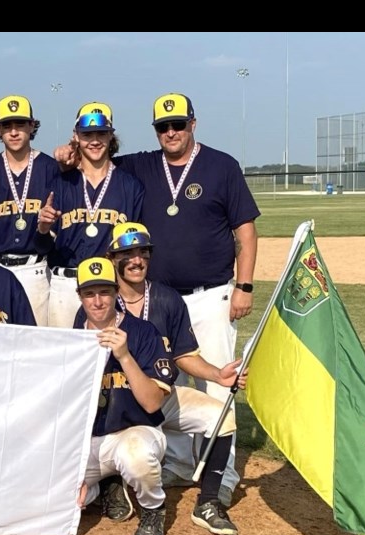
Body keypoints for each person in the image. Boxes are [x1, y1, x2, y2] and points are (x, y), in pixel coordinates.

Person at [55, 93, 257, 506]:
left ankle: (223, 476)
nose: (171, 132)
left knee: (217, 383)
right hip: (159, 299)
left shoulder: (221, 166)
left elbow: (246, 230)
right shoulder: (141, 165)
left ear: (193, 125)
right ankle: (178, 465)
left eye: (178, 125)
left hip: (212, 293)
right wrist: (66, 153)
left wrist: (245, 285)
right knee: (169, 383)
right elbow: (97, 161)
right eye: (163, 127)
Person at [80, 222, 242, 535]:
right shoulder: (98, 304)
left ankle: (209, 501)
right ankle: (114, 483)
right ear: (113, 259)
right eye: (127, 254)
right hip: (117, 404)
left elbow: (183, 354)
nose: (136, 260)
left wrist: (216, 374)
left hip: (161, 397)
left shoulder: (167, 299)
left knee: (222, 418)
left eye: (143, 252)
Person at [72, 257, 177, 535]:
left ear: (117, 292)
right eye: (89, 293)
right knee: (59, 497)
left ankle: (153, 508)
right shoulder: (72, 337)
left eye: (104, 292)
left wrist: (125, 356)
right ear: (79, 296)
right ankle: (98, 488)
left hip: (136, 431)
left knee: (136, 457)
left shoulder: (143, 332)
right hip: (90, 443)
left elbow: (153, 403)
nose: (97, 301)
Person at [39, 102, 142, 329]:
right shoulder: (61, 183)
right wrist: (43, 228)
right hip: (66, 283)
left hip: (108, 284)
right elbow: (44, 244)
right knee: (63, 357)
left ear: (111, 136)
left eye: (101, 133)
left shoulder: (130, 185)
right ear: (76, 136)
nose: (94, 140)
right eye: (87, 134)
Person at [0, 95, 60, 326]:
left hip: (35, 269)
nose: (13, 132)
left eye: (20, 124)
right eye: (6, 126)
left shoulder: (51, 169)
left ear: (32, 126)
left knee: (36, 340)